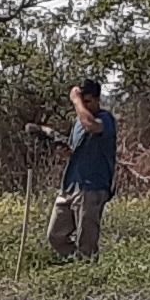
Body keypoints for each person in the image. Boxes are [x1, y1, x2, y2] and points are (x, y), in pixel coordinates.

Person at [38, 78, 121, 259]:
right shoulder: (78, 123)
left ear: (98, 100)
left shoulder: (105, 119)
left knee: (87, 242)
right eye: (81, 101)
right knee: (55, 236)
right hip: (70, 186)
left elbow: (91, 125)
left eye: (88, 101)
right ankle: (77, 265)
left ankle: (88, 272)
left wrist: (76, 101)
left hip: (91, 187)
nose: (83, 105)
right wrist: (64, 151)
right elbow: (75, 150)